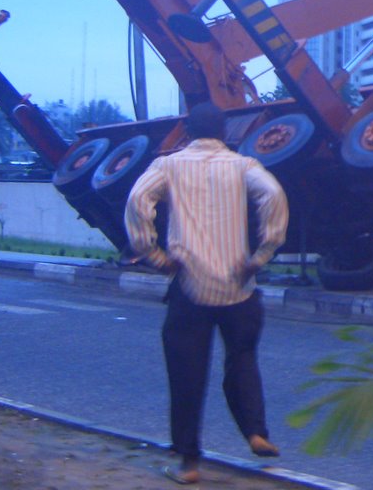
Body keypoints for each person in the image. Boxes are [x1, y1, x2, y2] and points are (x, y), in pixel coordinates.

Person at [124, 102, 289, 485]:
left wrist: (152, 253)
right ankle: (255, 431)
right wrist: (262, 253)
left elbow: (137, 201)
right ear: (226, 133)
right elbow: (274, 195)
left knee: (186, 377)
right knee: (243, 360)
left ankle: (189, 463)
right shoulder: (243, 165)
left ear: (186, 131)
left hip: (189, 286)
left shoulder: (168, 165)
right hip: (240, 286)